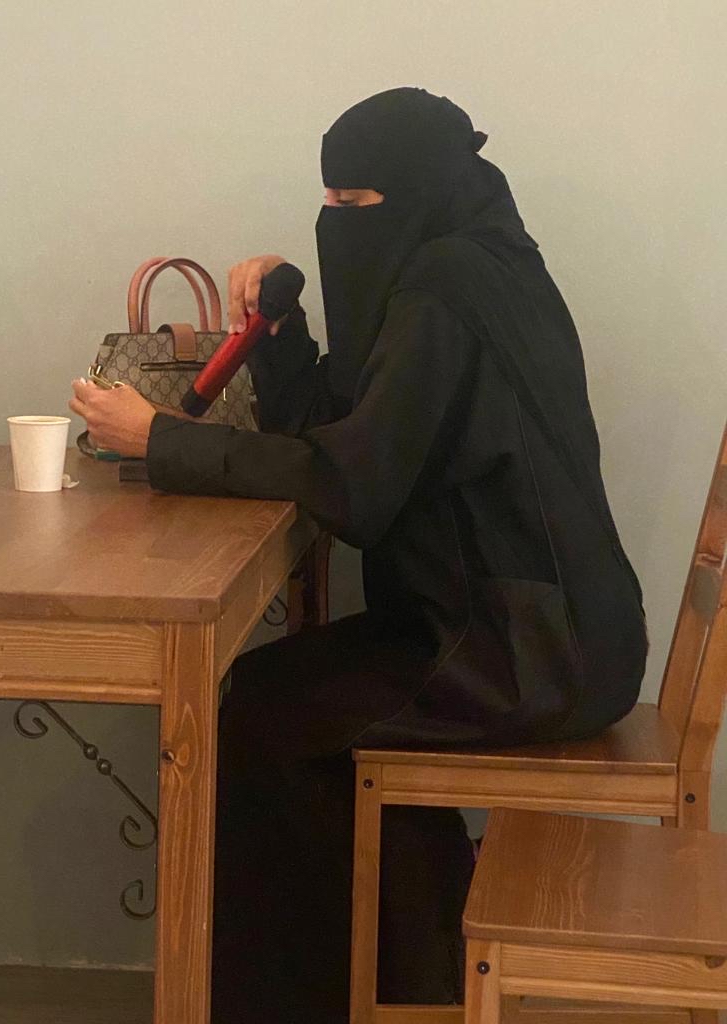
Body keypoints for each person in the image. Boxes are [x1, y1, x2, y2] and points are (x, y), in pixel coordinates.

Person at [70, 87, 647, 1024]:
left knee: (263, 724)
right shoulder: (474, 260)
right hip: (528, 628)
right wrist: (282, 330)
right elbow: (351, 427)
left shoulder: (447, 291)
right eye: (328, 201)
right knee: (267, 697)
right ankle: (403, 983)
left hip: (520, 653)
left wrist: (162, 438)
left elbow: (354, 486)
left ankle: (335, 997)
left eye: (357, 203)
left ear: (416, 192)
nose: (338, 221)